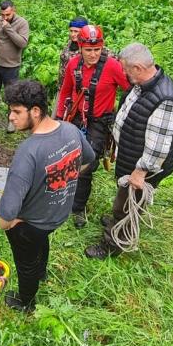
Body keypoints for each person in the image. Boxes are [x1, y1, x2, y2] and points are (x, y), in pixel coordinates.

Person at [0, 80, 95, 311]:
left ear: (36, 111)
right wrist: (65, 181)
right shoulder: (70, 129)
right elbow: (89, 159)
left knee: (25, 263)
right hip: (58, 214)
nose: (11, 117)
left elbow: (6, 215)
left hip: (32, 224)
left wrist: (10, 223)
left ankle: (26, 302)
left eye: (16, 111)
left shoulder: (27, 152)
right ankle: (41, 273)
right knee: (42, 239)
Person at [85, 43, 173, 259]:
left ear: (138, 67)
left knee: (127, 205)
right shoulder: (143, 84)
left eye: (126, 70)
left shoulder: (164, 99)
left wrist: (141, 172)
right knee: (123, 199)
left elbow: (158, 146)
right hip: (131, 155)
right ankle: (117, 220)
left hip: (142, 166)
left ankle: (114, 243)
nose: (124, 74)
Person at [56, 24, 129, 228]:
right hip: (77, 118)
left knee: (85, 165)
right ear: (80, 47)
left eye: (97, 49)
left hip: (99, 123)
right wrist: (61, 119)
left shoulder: (113, 66)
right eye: (88, 50)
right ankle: (67, 190)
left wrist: (121, 114)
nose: (93, 54)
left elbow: (130, 90)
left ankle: (78, 209)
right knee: (68, 158)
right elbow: (65, 92)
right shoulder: (73, 65)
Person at [0, 0, 30, 133]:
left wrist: (7, 28)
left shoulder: (22, 23)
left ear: (13, 10)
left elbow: (22, 43)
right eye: (2, 15)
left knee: (11, 94)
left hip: (11, 66)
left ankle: (11, 120)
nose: (4, 18)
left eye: (7, 15)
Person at [57, 17, 88, 107]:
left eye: (76, 31)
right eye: (71, 31)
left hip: (77, 90)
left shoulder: (88, 47)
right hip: (63, 87)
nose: (73, 34)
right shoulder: (69, 44)